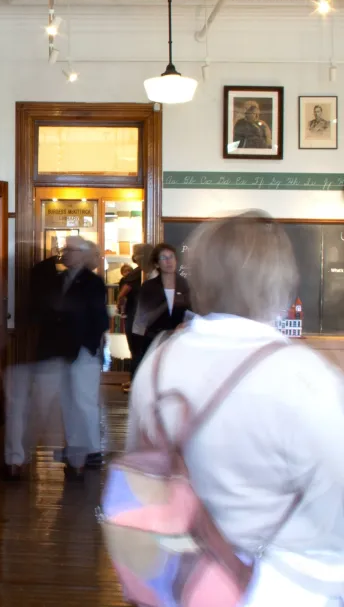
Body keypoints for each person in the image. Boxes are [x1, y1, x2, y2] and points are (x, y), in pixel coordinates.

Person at [126, 211, 344, 605]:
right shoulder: (304, 375)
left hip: (178, 580)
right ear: (279, 279)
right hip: (282, 588)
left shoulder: (158, 362)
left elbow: (142, 472)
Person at [44, 236, 108, 480]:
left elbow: (99, 318)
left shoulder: (92, 282)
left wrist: (88, 346)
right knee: (68, 402)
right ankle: (73, 446)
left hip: (83, 350)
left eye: (70, 250)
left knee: (84, 401)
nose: (65, 253)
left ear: (82, 254)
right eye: (64, 249)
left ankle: (92, 450)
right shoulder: (60, 280)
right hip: (62, 350)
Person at [2, 252, 61, 481]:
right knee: (39, 410)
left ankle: (15, 460)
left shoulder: (26, 298)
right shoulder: (55, 296)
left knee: (18, 409)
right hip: (46, 359)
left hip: (21, 359)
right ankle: (21, 456)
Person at [132, 243, 191, 353]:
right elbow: (141, 320)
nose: (169, 261)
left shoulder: (186, 285)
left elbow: (193, 314)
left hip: (180, 343)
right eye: (164, 258)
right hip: (154, 342)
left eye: (171, 257)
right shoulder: (149, 287)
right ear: (157, 264)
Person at [117, 243, 152, 393]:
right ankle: (136, 380)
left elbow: (123, 293)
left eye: (136, 253)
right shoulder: (146, 272)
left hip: (137, 314)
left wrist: (120, 303)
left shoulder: (139, 273)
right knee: (140, 349)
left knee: (137, 348)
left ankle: (136, 381)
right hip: (141, 314)